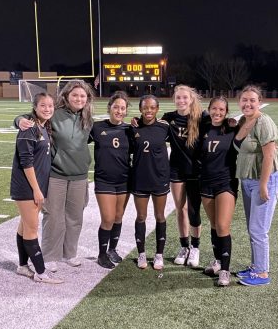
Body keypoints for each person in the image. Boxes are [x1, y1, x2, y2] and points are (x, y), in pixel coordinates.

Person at [15, 80, 94, 272]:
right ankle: (50, 255)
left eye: (82, 96)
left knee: (75, 218)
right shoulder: (55, 114)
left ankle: (70, 253)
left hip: (80, 175)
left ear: (87, 99)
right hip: (56, 175)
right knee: (53, 217)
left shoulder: (88, 117)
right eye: (75, 95)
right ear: (66, 96)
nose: (78, 98)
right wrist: (18, 120)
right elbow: (29, 117)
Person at [11, 92, 63, 284]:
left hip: (35, 186)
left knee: (24, 226)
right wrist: (36, 189)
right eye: (43, 106)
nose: (47, 109)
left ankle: (23, 266)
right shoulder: (29, 128)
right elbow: (26, 162)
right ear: (35, 107)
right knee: (32, 229)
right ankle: (41, 272)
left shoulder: (43, 126)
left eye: (50, 106)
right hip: (27, 187)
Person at [234, 85, 278, 286]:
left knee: (258, 229)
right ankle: (255, 266)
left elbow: (269, 156)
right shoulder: (243, 121)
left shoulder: (264, 121)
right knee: (252, 227)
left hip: (265, 179)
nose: (248, 103)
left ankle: (262, 273)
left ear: (259, 102)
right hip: (247, 179)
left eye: (252, 100)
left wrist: (264, 185)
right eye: (244, 100)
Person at [162, 84, 207, 268]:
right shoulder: (169, 118)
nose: (181, 100)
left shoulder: (202, 117)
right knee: (181, 209)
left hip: (196, 170)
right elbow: (152, 129)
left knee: (194, 210)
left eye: (184, 97)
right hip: (176, 169)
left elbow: (220, 127)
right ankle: (184, 247)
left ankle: (195, 247)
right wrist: (136, 122)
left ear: (191, 99)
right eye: (178, 97)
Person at [89, 91, 131, 269]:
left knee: (118, 216)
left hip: (124, 180)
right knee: (107, 218)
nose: (119, 111)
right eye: (116, 107)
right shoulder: (97, 127)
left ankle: (113, 249)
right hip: (104, 180)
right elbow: (76, 142)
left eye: (122, 108)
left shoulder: (130, 130)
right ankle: (101, 254)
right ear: (109, 108)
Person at [199, 96, 238, 286]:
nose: (218, 112)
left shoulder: (232, 128)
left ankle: (225, 270)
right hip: (206, 182)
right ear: (209, 109)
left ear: (226, 111)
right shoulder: (203, 128)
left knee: (223, 225)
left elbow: (250, 134)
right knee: (214, 225)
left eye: (222, 110)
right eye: (214, 109)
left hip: (225, 182)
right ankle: (217, 262)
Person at [130, 95, 170, 270]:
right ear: (140, 109)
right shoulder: (133, 128)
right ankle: (142, 254)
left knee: (160, 216)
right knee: (141, 216)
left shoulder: (164, 128)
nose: (149, 111)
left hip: (159, 178)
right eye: (145, 107)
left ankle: (159, 254)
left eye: (152, 107)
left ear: (157, 109)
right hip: (140, 178)